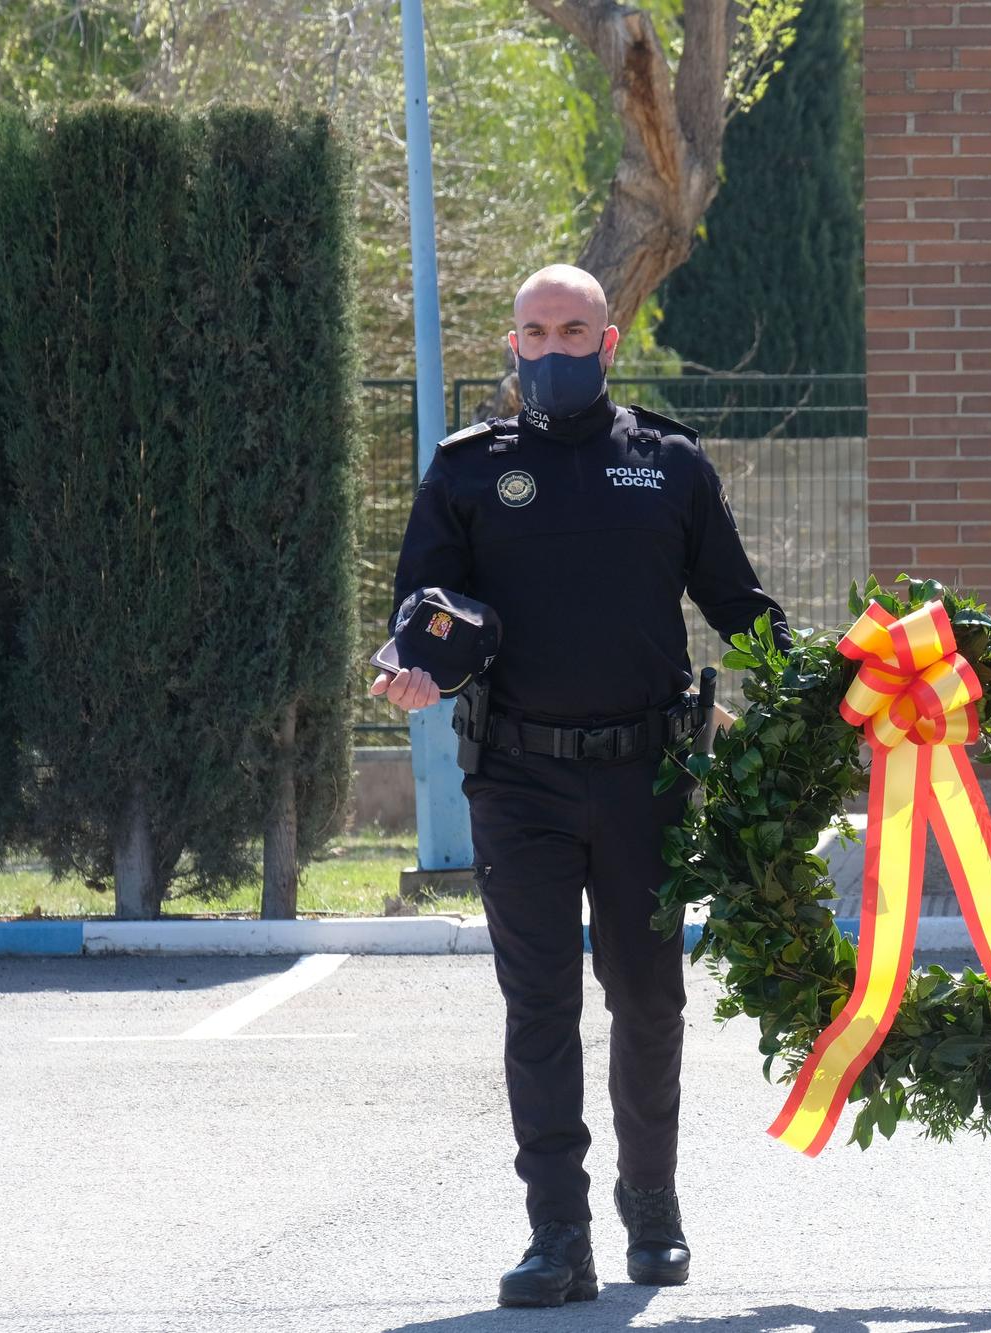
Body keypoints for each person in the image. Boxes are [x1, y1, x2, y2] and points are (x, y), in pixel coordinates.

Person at [372, 264, 785, 1308]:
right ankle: (557, 1231)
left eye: (572, 333)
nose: (552, 350)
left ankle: (651, 1205)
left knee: (649, 997)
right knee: (539, 1005)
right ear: (511, 346)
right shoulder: (467, 472)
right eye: (533, 332)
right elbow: (419, 609)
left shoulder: (670, 464)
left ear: (608, 346)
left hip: (648, 775)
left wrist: (834, 680)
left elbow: (736, 603)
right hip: (518, 778)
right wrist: (412, 666)